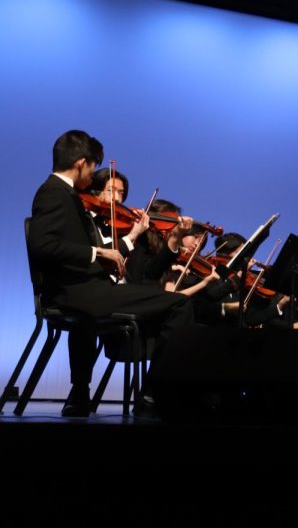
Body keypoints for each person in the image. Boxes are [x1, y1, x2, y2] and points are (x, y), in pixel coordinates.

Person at [27, 130, 193, 416]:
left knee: (164, 302)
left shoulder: (63, 194)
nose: (92, 177)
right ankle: (153, 392)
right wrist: (98, 253)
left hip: (85, 288)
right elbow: (42, 245)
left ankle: (87, 393)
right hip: (78, 292)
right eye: (92, 168)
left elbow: (64, 245)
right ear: (81, 163)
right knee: (180, 304)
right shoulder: (54, 192)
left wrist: (103, 255)